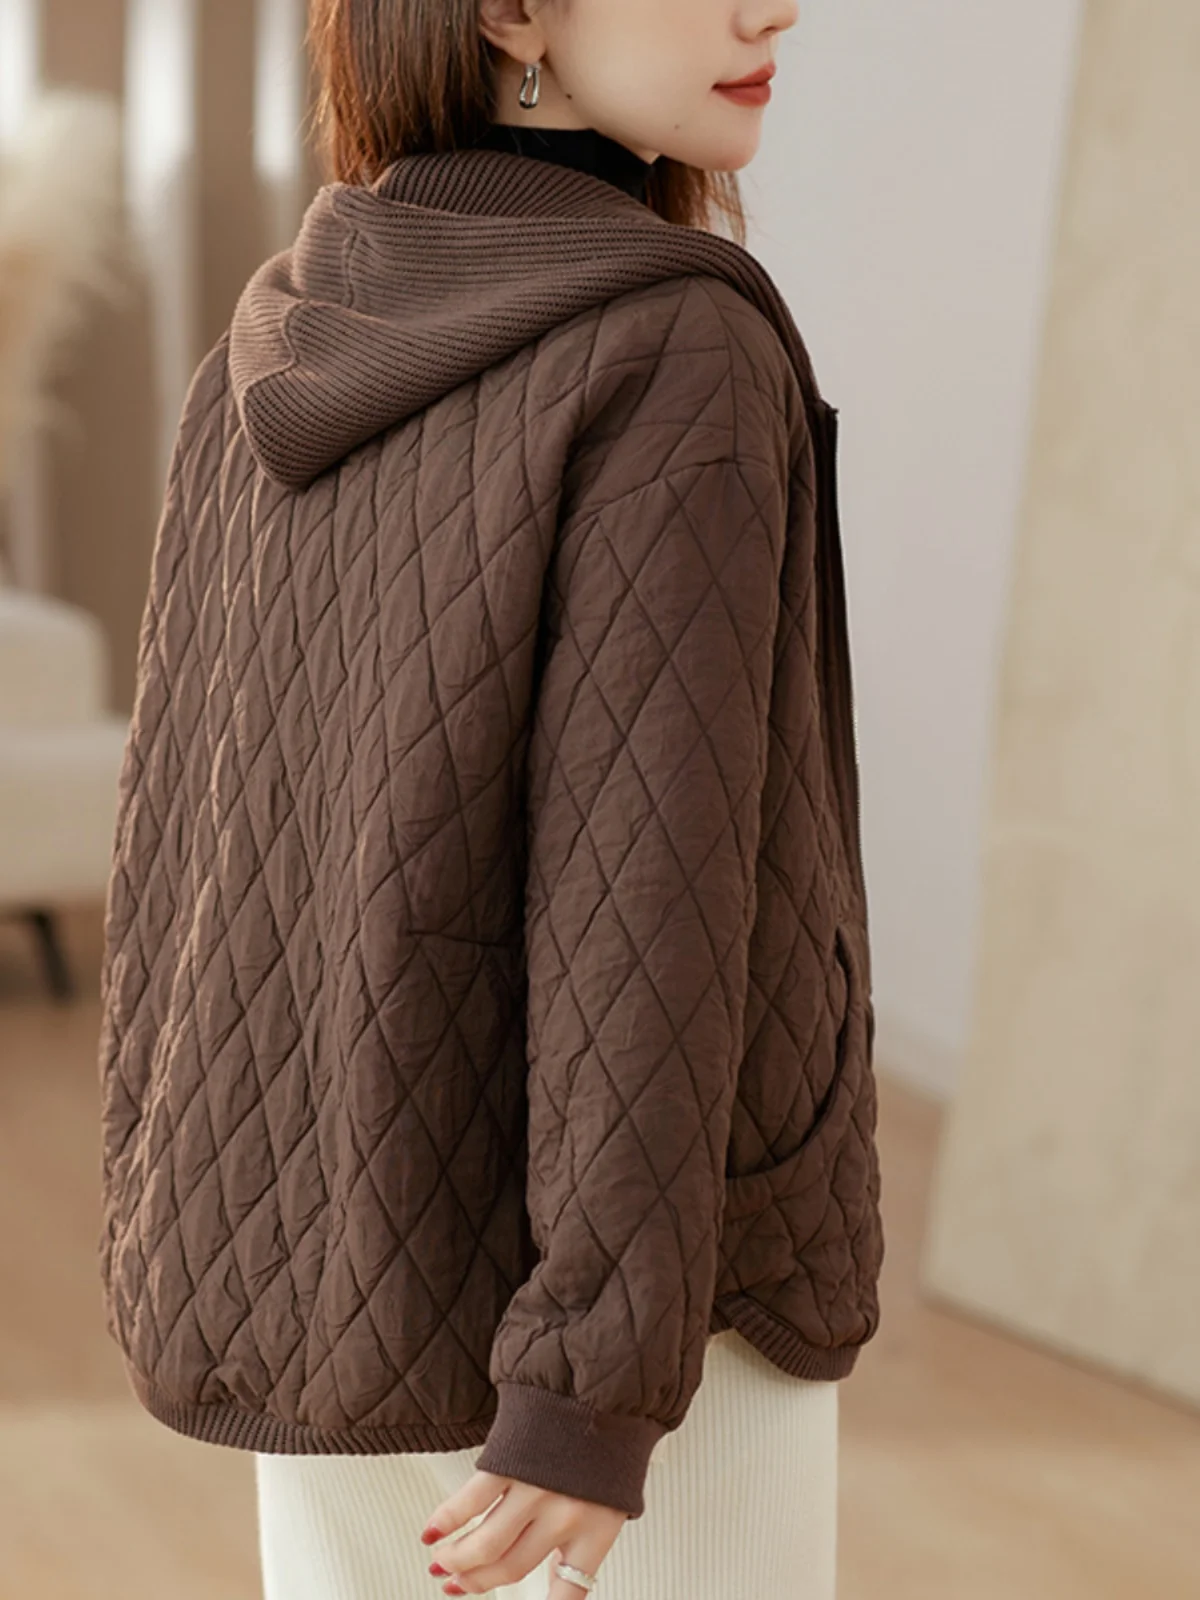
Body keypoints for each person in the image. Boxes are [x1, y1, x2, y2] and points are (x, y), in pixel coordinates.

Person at [95, 2, 885, 1597]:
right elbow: (643, 906)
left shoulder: (275, 338)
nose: (774, 8)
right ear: (513, 9)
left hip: (330, 1272)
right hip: (643, 1332)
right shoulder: (681, 346)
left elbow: (180, 862)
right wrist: (590, 1386)